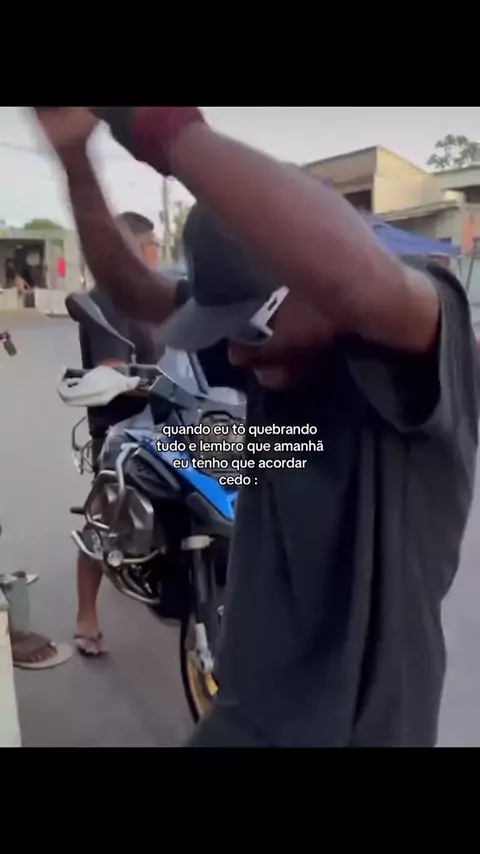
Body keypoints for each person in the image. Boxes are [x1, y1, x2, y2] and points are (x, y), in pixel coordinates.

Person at [33, 107, 479, 748]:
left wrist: (158, 125)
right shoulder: (274, 357)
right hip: (243, 715)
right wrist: (75, 160)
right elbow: (134, 290)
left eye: (253, 328)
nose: (237, 357)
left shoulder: (414, 354)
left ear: (315, 285)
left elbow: (356, 278)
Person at [74, 211, 163, 656]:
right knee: (105, 517)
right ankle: (85, 617)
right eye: (152, 246)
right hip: (121, 431)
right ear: (134, 248)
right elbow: (111, 369)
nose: (156, 255)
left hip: (165, 422)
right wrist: (153, 382)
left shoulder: (149, 299)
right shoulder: (108, 300)